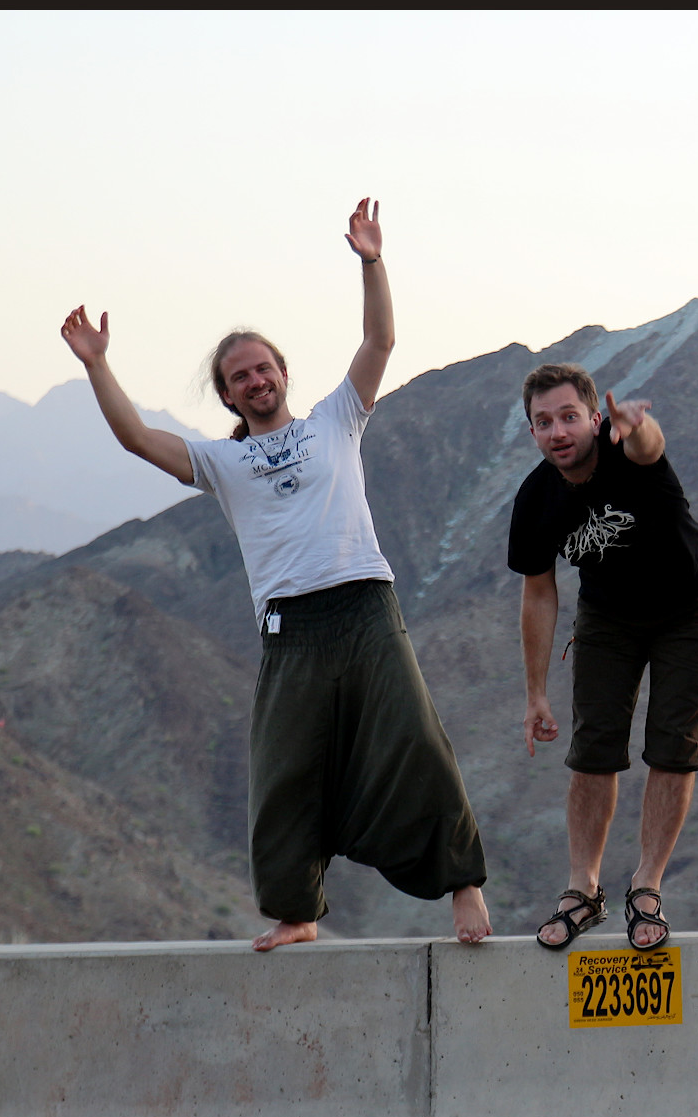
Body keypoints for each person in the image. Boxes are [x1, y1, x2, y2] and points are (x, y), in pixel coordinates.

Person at [59, 198, 491, 948]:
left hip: (366, 607)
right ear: (227, 395)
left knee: (416, 741)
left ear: (283, 373)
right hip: (292, 631)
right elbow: (134, 437)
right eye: (239, 376)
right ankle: (298, 914)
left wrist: (372, 261)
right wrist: (99, 364)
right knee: (284, 770)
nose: (255, 379)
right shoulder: (220, 462)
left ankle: (463, 885)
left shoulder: (336, 419)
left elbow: (381, 339)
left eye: (263, 367)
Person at [509, 364, 698, 951]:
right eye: (544, 422)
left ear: (594, 419)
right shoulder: (535, 499)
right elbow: (538, 593)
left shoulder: (626, 450)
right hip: (609, 616)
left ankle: (646, 885)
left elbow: (649, 446)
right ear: (532, 432)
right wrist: (535, 693)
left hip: (690, 606)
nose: (558, 431)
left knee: (674, 744)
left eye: (569, 417)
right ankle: (582, 889)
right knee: (593, 749)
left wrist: (638, 424)